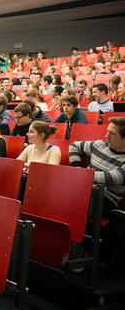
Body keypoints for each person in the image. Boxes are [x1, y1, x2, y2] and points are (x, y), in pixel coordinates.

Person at [69, 117, 125, 278]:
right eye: (107, 131)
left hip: (106, 198)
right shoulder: (99, 144)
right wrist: (77, 168)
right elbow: (74, 146)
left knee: (75, 204)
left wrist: (85, 175)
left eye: (112, 134)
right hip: (83, 190)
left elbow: (115, 177)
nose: (106, 136)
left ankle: (78, 249)